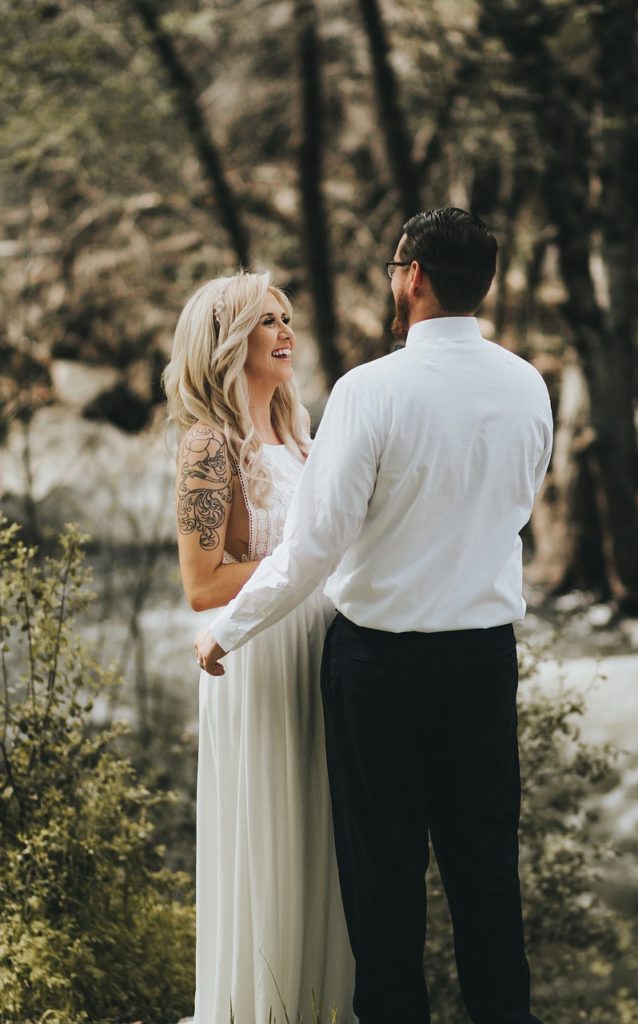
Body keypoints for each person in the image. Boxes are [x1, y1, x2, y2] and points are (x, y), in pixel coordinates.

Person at [197, 208, 553, 1024]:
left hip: (379, 669)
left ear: (413, 276)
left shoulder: (369, 390)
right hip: (483, 662)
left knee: (383, 878)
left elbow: (314, 548)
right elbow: (513, 510)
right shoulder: (527, 383)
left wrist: (228, 627)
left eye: (397, 267)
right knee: (487, 872)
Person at [163, 271, 355, 1024]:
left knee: (323, 835)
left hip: (322, 649)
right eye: (265, 321)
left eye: (286, 317)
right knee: (270, 836)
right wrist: (313, 564)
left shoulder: (302, 433)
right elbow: (204, 587)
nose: (285, 332)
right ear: (227, 342)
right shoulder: (210, 446)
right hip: (258, 653)